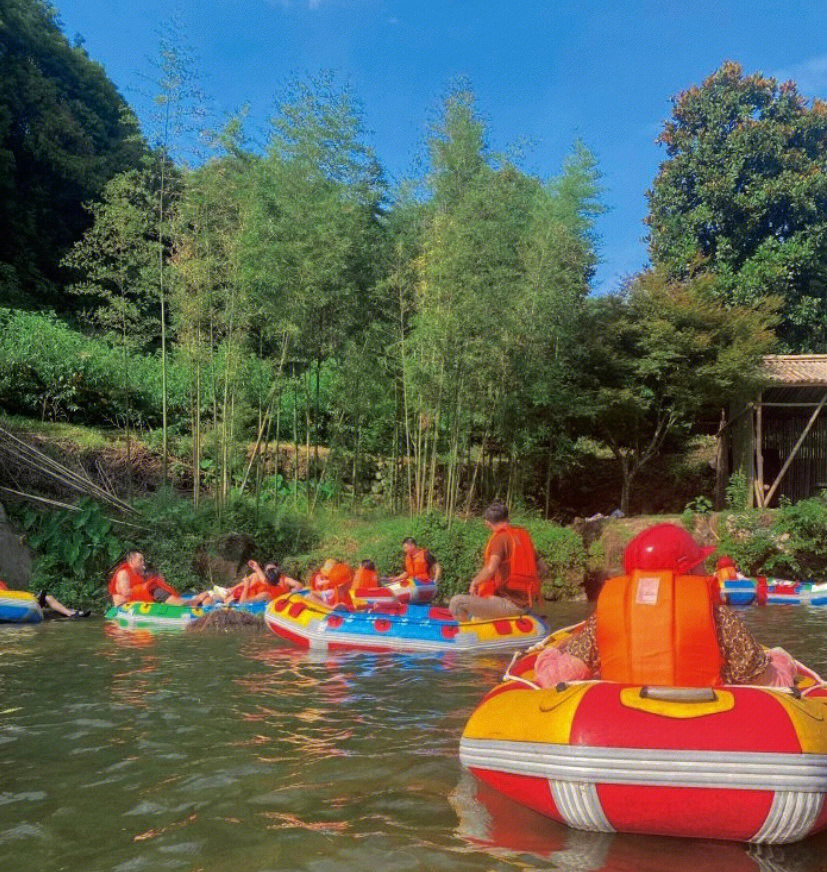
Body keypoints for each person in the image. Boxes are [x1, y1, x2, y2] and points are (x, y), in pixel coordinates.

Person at [534, 523, 796, 689]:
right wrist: (784, 661)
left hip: (620, 718)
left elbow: (555, 678)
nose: (704, 568)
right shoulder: (719, 617)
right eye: (699, 564)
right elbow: (764, 679)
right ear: (688, 571)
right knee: (780, 659)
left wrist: (550, 654)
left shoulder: (606, 617)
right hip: (706, 718)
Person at [449, 501, 546, 621]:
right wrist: (526, 587)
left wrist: (474, 582)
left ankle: (465, 635)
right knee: (482, 606)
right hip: (525, 604)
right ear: (507, 518)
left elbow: (490, 569)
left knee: (456, 603)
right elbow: (543, 568)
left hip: (509, 605)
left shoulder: (500, 539)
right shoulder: (522, 538)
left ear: (487, 523)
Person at [108, 551, 187, 607]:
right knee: (153, 590)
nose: (143, 562)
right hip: (123, 606)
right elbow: (125, 593)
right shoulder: (123, 573)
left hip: (136, 601)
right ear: (131, 561)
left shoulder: (138, 573)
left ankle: (183, 602)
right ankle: (186, 603)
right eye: (140, 560)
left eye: (143, 560)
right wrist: (145, 587)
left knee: (157, 589)